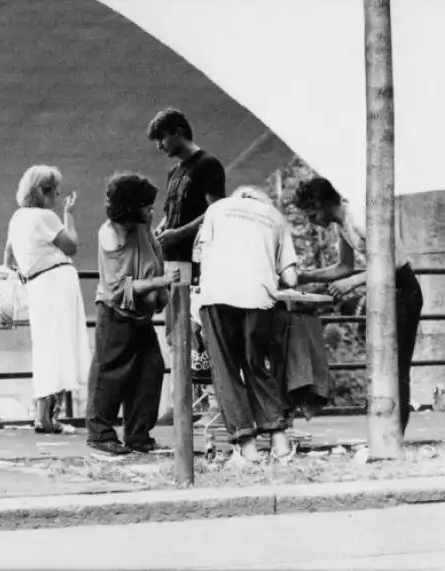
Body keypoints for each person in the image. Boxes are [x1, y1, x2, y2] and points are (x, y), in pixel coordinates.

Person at [293, 176, 423, 435]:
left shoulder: (360, 218)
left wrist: (351, 283)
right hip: (385, 293)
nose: (311, 221)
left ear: (323, 203)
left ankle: (396, 434)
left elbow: (393, 263)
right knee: (382, 364)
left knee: (398, 367)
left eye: (312, 213)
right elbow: (344, 267)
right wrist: (306, 276)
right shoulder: (341, 226)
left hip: (403, 290)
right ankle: (385, 429)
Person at [196, 185, 298, 464]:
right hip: (258, 297)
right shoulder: (276, 217)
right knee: (256, 366)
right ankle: (281, 446)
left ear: (237, 196)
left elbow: (200, 256)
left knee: (226, 371)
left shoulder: (217, 209)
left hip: (218, 296)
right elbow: (290, 279)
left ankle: (249, 451)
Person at [86, 173, 179, 456]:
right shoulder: (110, 235)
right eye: (146, 206)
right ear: (130, 208)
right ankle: (100, 434)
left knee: (150, 369)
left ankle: (138, 435)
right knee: (109, 372)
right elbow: (119, 288)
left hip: (140, 315)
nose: (151, 211)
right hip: (115, 312)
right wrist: (161, 283)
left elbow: (153, 254)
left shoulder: (142, 227)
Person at [146, 107, 226, 422]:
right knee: (174, 332)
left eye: (161, 139)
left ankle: (204, 406)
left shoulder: (208, 164)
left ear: (177, 131)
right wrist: (163, 228)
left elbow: (216, 211)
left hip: (197, 261)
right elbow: (171, 210)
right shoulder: (174, 171)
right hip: (173, 261)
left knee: (195, 332)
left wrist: (178, 232)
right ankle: (185, 404)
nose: (159, 147)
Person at [4, 165, 91, 435]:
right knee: (62, 347)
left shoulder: (18, 218)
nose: (57, 196)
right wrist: (69, 215)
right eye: (54, 191)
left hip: (38, 286)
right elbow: (72, 246)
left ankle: (44, 415)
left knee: (46, 348)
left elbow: (8, 257)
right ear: (43, 192)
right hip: (57, 283)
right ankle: (48, 416)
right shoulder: (46, 217)